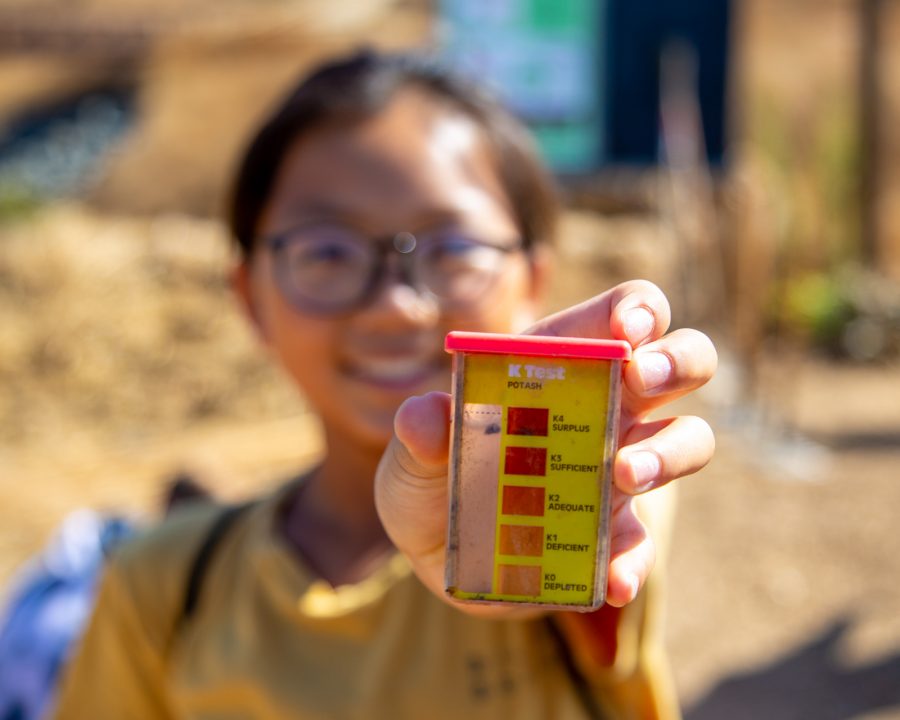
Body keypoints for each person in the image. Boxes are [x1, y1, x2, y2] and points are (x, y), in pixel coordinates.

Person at [51, 50, 716, 719]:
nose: (396, 304)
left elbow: (615, 552)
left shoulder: (565, 506)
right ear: (251, 295)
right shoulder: (158, 589)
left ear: (533, 281)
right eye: (328, 251)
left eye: (453, 249)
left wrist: (584, 472)